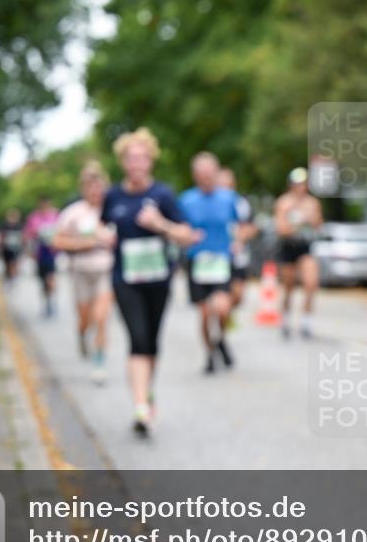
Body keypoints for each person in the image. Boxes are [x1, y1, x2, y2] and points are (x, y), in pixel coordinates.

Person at [101, 127, 200, 435]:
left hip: (158, 278)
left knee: (152, 343)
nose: (137, 163)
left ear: (150, 162)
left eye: (142, 158)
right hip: (125, 278)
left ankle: (146, 391)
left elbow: (187, 235)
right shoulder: (113, 196)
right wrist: (104, 237)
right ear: (123, 162)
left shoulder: (163, 195)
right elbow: (103, 228)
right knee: (138, 339)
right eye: (131, 158)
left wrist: (160, 224)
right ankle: (141, 408)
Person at [179, 152, 243, 374]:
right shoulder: (186, 200)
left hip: (221, 261)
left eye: (210, 175)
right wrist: (186, 236)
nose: (206, 179)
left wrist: (239, 240)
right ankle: (209, 353)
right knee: (205, 313)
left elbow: (245, 224)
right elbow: (178, 228)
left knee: (223, 309)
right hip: (197, 262)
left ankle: (221, 338)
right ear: (195, 176)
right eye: (202, 175)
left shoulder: (229, 198)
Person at [53, 161, 116, 385]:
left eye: (99, 187)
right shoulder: (73, 213)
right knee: (85, 318)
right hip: (81, 272)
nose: (96, 192)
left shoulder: (112, 210)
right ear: (84, 189)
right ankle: (81, 334)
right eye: (91, 187)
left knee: (101, 317)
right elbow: (57, 240)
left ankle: (99, 363)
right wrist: (83, 243)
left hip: (106, 271)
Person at [273, 167, 324, 339]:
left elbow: (319, 225)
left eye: (302, 184)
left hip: (305, 246)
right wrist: (297, 222)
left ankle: (306, 321)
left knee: (311, 283)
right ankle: (286, 319)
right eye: (297, 184)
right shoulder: (283, 203)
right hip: (288, 247)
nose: (300, 187)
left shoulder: (312, 203)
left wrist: (311, 218)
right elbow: (280, 229)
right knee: (289, 287)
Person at [217, 166, 257, 310]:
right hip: (217, 255)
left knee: (238, 294)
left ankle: (226, 314)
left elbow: (252, 226)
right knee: (219, 295)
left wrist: (239, 240)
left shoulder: (241, 203)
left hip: (237, 254)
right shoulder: (209, 202)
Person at [24, 197, 60, 318]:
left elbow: (61, 231)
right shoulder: (33, 218)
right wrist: (29, 250)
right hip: (39, 254)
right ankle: (46, 301)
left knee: (51, 277)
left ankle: (51, 300)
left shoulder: (55, 216)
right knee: (42, 281)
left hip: (52, 253)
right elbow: (27, 235)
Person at [0, 208, 23, 283]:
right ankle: (9, 276)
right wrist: (1, 246)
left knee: (14, 262)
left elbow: (22, 236)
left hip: (16, 248)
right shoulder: (5, 225)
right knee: (8, 263)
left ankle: (14, 277)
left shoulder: (19, 225)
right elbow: (2, 236)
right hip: (7, 248)